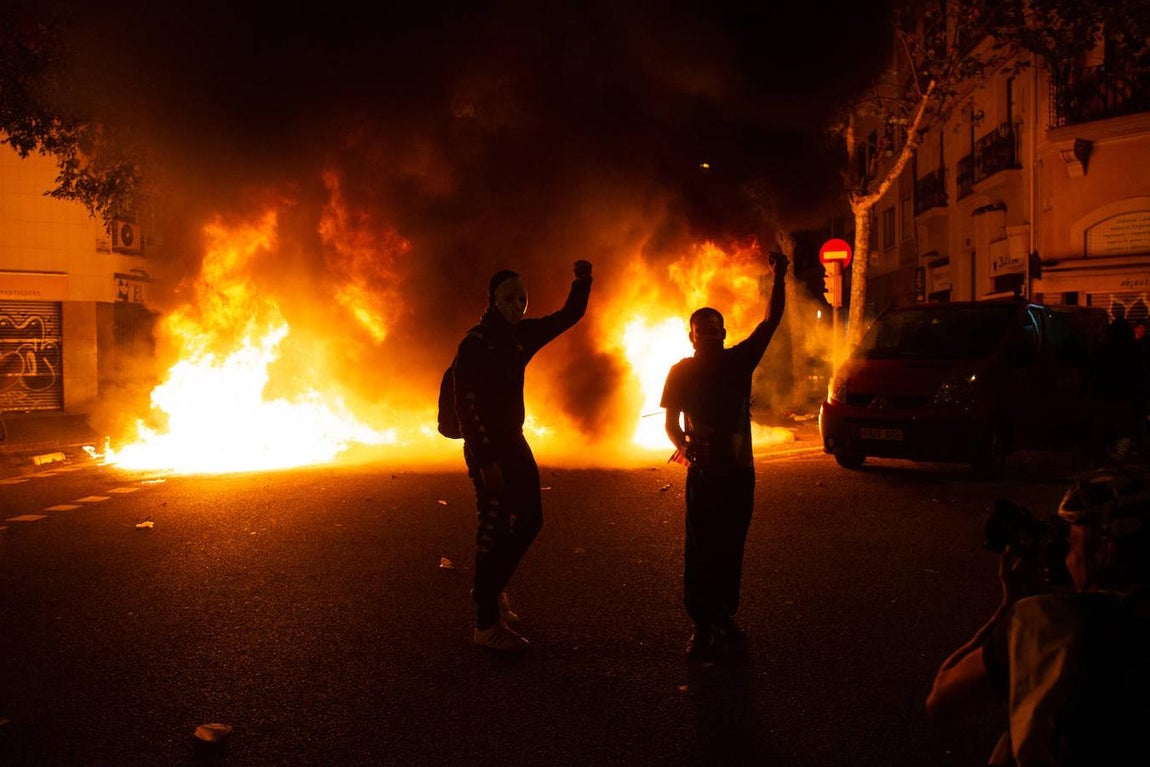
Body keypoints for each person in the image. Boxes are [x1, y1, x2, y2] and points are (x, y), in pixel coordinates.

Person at [926, 465, 1150, 765]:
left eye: (1073, 544)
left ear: (1106, 551)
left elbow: (942, 701)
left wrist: (1010, 605)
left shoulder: (1051, 623)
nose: (1067, 558)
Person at [452, 259, 593, 652]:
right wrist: (485, 460)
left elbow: (568, 316)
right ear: (492, 300)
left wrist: (582, 281)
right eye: (510, 298)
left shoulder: (522, 335)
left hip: (514, 442)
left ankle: (490, 589)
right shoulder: (475, 345)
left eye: (522, 299)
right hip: (487, 448)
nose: (518, 305)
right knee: (493, 524)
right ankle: (484, 624)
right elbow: (465, 406)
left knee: (531, 518)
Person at [660, 250, 788, 662]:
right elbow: (671, 423)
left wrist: (780, 275)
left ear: (725, 332)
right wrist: (685, 447)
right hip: (704, 474)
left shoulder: (738, 362)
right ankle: (701, 624)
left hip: (739, 472)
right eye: (703, 329)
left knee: (732, 545)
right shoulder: (680, 371)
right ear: (691, 335)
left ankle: (724, 615)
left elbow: (771, 322)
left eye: (716, 328)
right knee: (700, 547)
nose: (710, 334)